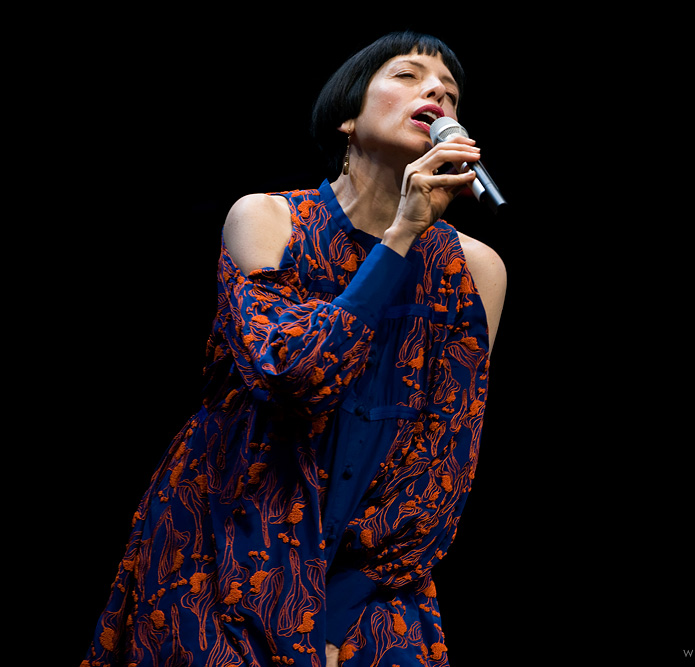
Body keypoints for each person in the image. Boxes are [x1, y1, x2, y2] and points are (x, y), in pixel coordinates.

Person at [81, 31, 506, 667]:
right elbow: (291, 374)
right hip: (219, 547)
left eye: (449, 90)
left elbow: (446, 458)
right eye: (409, 75)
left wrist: (339, 610)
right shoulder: (266, 219)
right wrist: (402, 234)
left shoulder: (474, 269)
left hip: (370, 581)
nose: (437, 91)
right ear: (347, 117)